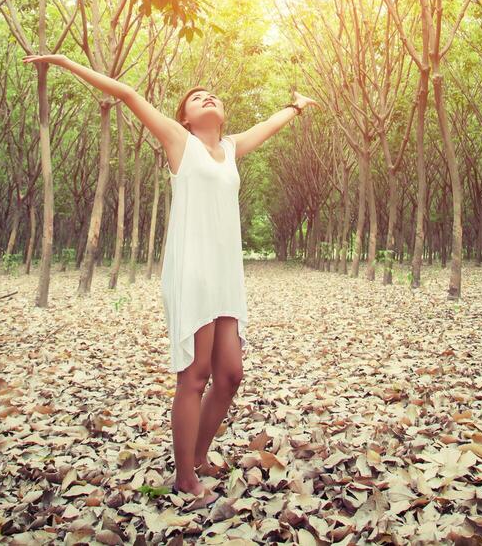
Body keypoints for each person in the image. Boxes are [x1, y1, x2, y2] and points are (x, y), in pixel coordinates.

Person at [23, 52, 318, 510]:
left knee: (231, 375)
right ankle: (184, 477)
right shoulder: (180, 141)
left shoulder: (233, 149)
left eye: (213, 96)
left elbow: (271, 126)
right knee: (195, 374)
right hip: (193, 269)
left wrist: (297, 106)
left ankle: (197, 458)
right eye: (197, 98)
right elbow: (125, 93)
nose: (208, 98)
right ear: (184, 116)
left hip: (226, 275)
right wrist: (63, 61)